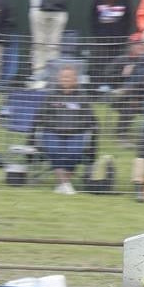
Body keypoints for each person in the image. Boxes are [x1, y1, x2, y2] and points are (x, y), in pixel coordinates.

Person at [36, 64, 97, 195]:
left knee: (74, 152)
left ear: (75, 80)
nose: (66, 79)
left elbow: (90, 120)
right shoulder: (51, 96)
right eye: (63, 77)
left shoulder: (82, 98)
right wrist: (57, 127)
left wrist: (74, 128)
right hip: (53, 132)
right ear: (59, 79)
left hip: (75, 133)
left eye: (69, 77)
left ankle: (62, 184)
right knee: (54, 149)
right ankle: (65, 184)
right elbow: (42, 116)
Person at [27, 0, 75, 82]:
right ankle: (38, 75)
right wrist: (39, 1)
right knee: (38, 44)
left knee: (54, 46)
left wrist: (57, 0)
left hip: (58, 10)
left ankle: (51, 77)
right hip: (38, 9)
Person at [87, 0, 131, 65]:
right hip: (101, 43)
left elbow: (127, 20)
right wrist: (98, 34)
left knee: (114, 67)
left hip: (117, 43)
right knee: (100, 66)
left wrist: (121, 35)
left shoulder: (124, 1)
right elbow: (93, 18)